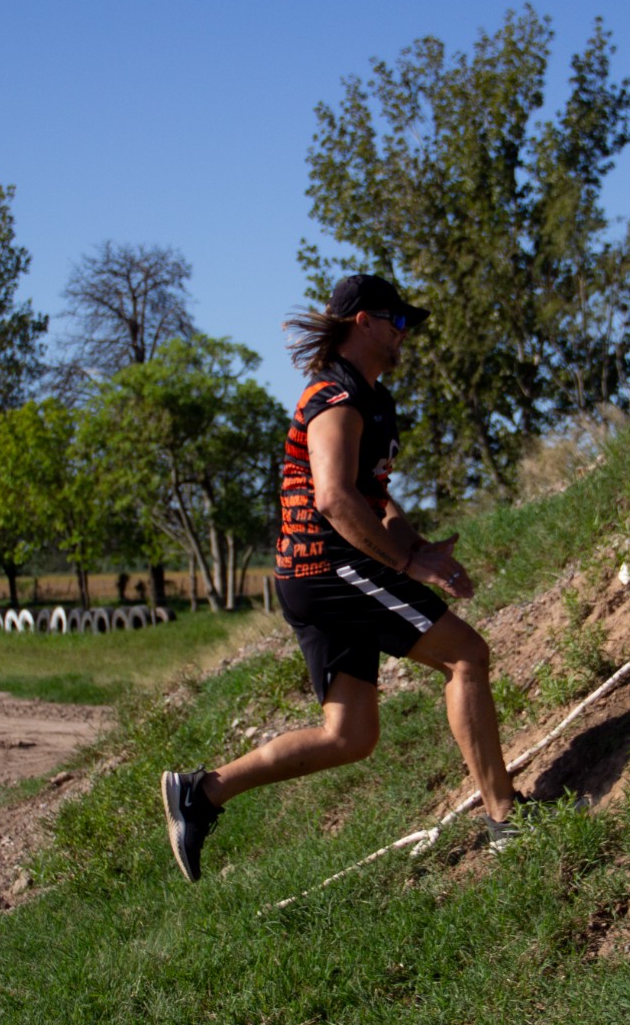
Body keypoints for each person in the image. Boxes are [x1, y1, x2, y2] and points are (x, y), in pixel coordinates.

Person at [160, 273, 520, 882]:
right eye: (397, 322)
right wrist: (407, 565)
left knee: (349, 735)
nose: (405, 335)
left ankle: (202, 793)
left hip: (314, 572)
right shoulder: (336, 398)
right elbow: (332, 498)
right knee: (466, 656)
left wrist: (418, 546)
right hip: (331, 565)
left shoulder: (373, 401)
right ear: (364, 323)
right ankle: (507, 820)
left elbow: (375, 501)